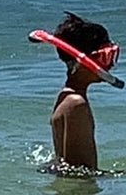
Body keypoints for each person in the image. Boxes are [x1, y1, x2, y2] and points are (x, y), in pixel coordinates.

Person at [47, 11, 118, 174]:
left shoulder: (65, 97)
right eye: (105, 57)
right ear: (83, 61)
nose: (110, 66)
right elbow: (81, 174)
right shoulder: (76, 104)